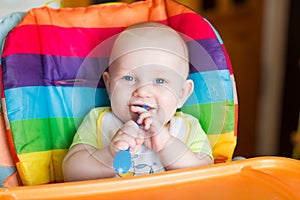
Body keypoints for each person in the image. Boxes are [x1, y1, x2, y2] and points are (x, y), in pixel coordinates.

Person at [62, 22, 213, 181]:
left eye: (160, 81)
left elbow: (206, 173)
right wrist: (109, 155)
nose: (142, 91)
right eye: (128, 78)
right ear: (109, 84)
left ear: (182, 93)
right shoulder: (98, 121)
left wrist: (167, 144)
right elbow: (71, 173)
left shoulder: (188, 127)